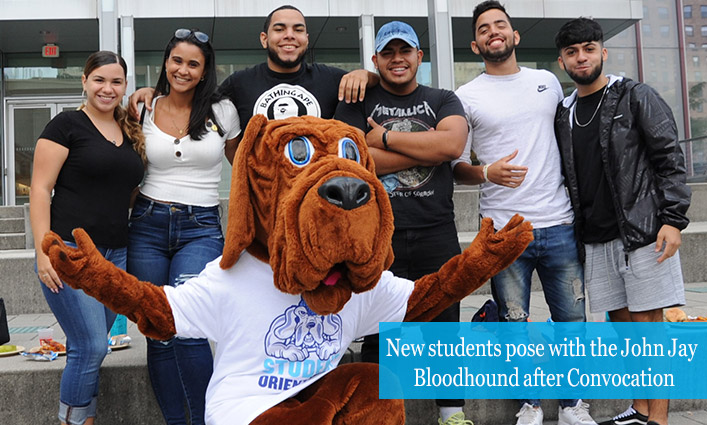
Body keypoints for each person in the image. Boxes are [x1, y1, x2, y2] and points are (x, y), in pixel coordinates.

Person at [451, 2, 595, 425]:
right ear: (475, 44)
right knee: (513, 322)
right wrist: (486, 171)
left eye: (500, 25)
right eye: (483, 28)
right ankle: (528, 404)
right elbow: (456, 166)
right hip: (502, 230)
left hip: (558, 222)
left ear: (514, 36)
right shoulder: (466, 96)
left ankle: (573, 405)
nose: (493, 31)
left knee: (572, 319)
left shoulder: (547, 82)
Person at [554, 17, 691, 425]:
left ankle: (659, 420)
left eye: (589, 49)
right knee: (623, 327)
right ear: (562, 61)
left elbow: (669, 156)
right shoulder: (565, 112)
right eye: (573, 52)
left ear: (603, 52)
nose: (582, 57)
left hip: (644, 232)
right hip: (596, 238)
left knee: (649, 330)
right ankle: (639, 409)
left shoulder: (634, 95)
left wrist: (673, 219)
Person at [334, 20, 470, 425]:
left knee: (444, 327)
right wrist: (426, 151)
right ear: (375, 59)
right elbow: (353, 161)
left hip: (435, 230)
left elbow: (452, 145)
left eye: (405, 51)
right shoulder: (358, 100)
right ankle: (382, 415)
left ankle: (451, 413)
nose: (397, 59)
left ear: (418, 57)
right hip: (378, 235)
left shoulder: (442, 98)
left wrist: (386, 139)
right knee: (380, 329)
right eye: (388, 53)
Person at [127, 28, 241, 425]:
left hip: (201, 227)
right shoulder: (142, 107)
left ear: (205, 70)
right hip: (146, 224)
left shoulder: (222, 111)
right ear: (165, 63)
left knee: (190, 328)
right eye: (177, 60)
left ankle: (208, 419)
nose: (183, 69)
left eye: (194, 63)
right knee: (158, 332)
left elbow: (244, 170)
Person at [29, 50, 145, 425]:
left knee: (93, 348)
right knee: (91, 345)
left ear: (124, 86)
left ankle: (84, 419)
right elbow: (39, 189)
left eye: (116, 82)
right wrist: (44, 252)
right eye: (99, 80)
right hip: (70, 252)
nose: (107, 88)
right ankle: (72, 421)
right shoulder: (66, 125)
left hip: (115, 255)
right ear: (84, 81)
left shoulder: (130, 129)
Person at [130, 5, 378, 134]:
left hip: (314, 199)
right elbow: (196, 97)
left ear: (307, 39)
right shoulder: (240, 82)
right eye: (279, 29)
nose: (289, 36)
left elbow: (380, 86)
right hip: (263, 204)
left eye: (298, 29)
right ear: (263, 38)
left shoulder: (332, 79)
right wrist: (156, 91)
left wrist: (366, 75)